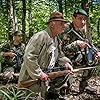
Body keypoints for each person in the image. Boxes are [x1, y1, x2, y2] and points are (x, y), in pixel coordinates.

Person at [18, 11, 73, 100]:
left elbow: (60, 55)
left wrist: (66, 63)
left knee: (65, 73)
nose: (64, 26)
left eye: (64, 23)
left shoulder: (57, 39)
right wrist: (39, 74)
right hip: (31, 76)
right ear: (52, 24)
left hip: (45, 74)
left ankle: (53, 94)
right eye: (61, 23)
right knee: (31, 97)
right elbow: (29, 57)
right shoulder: (41, 36)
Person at [60, 8, 100, 93]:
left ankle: (84, 85)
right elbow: (60, 50)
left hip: (75, 57)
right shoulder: (65, 29)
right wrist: (76, 44)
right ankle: (62, 85)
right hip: (63, 59)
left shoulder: (82, 31)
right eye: (79, 18)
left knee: (93, 58)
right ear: (73, 18)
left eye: (84, 19)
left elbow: (88, 44)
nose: (82, 22)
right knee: (65, 91)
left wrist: (97, 52)